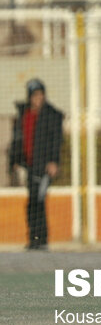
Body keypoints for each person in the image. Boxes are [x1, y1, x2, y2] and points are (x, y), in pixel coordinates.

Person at [8, 78, 64, 250]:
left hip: (44, 166)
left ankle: (41, 239)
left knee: (38, 200)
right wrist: (15, 161)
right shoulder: (24, 115)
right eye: (35, 96)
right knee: (32, 202)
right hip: (29, 165)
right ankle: (34, 239)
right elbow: (18, 140)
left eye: (41, 95)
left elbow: (56, 140)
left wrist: (54, 161)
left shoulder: (52, 115)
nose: (38, 99)